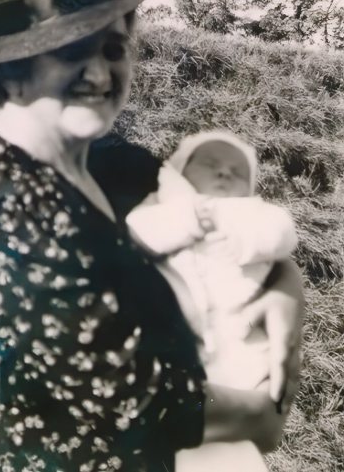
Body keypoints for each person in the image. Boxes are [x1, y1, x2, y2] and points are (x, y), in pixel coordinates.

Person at [0, 0, 303, 472]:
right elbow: (128, 402)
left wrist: (284, 291)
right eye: (70, 51)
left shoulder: (117, 166)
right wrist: (264, 417)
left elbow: (229, 227)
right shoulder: (6, 210)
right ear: (11, 75)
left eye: (113, 48)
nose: (99, 72)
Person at [126, 131, 299, 471]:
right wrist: (189, 220)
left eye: (238, 171)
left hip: (236, 335)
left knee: (232, 439)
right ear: (180, 172)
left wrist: (245, 241)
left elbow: (282, 232)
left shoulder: (250, 214)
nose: (224, 173)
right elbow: (140, 232)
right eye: (209, 163)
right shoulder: (163, 207)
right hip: (174, 338)